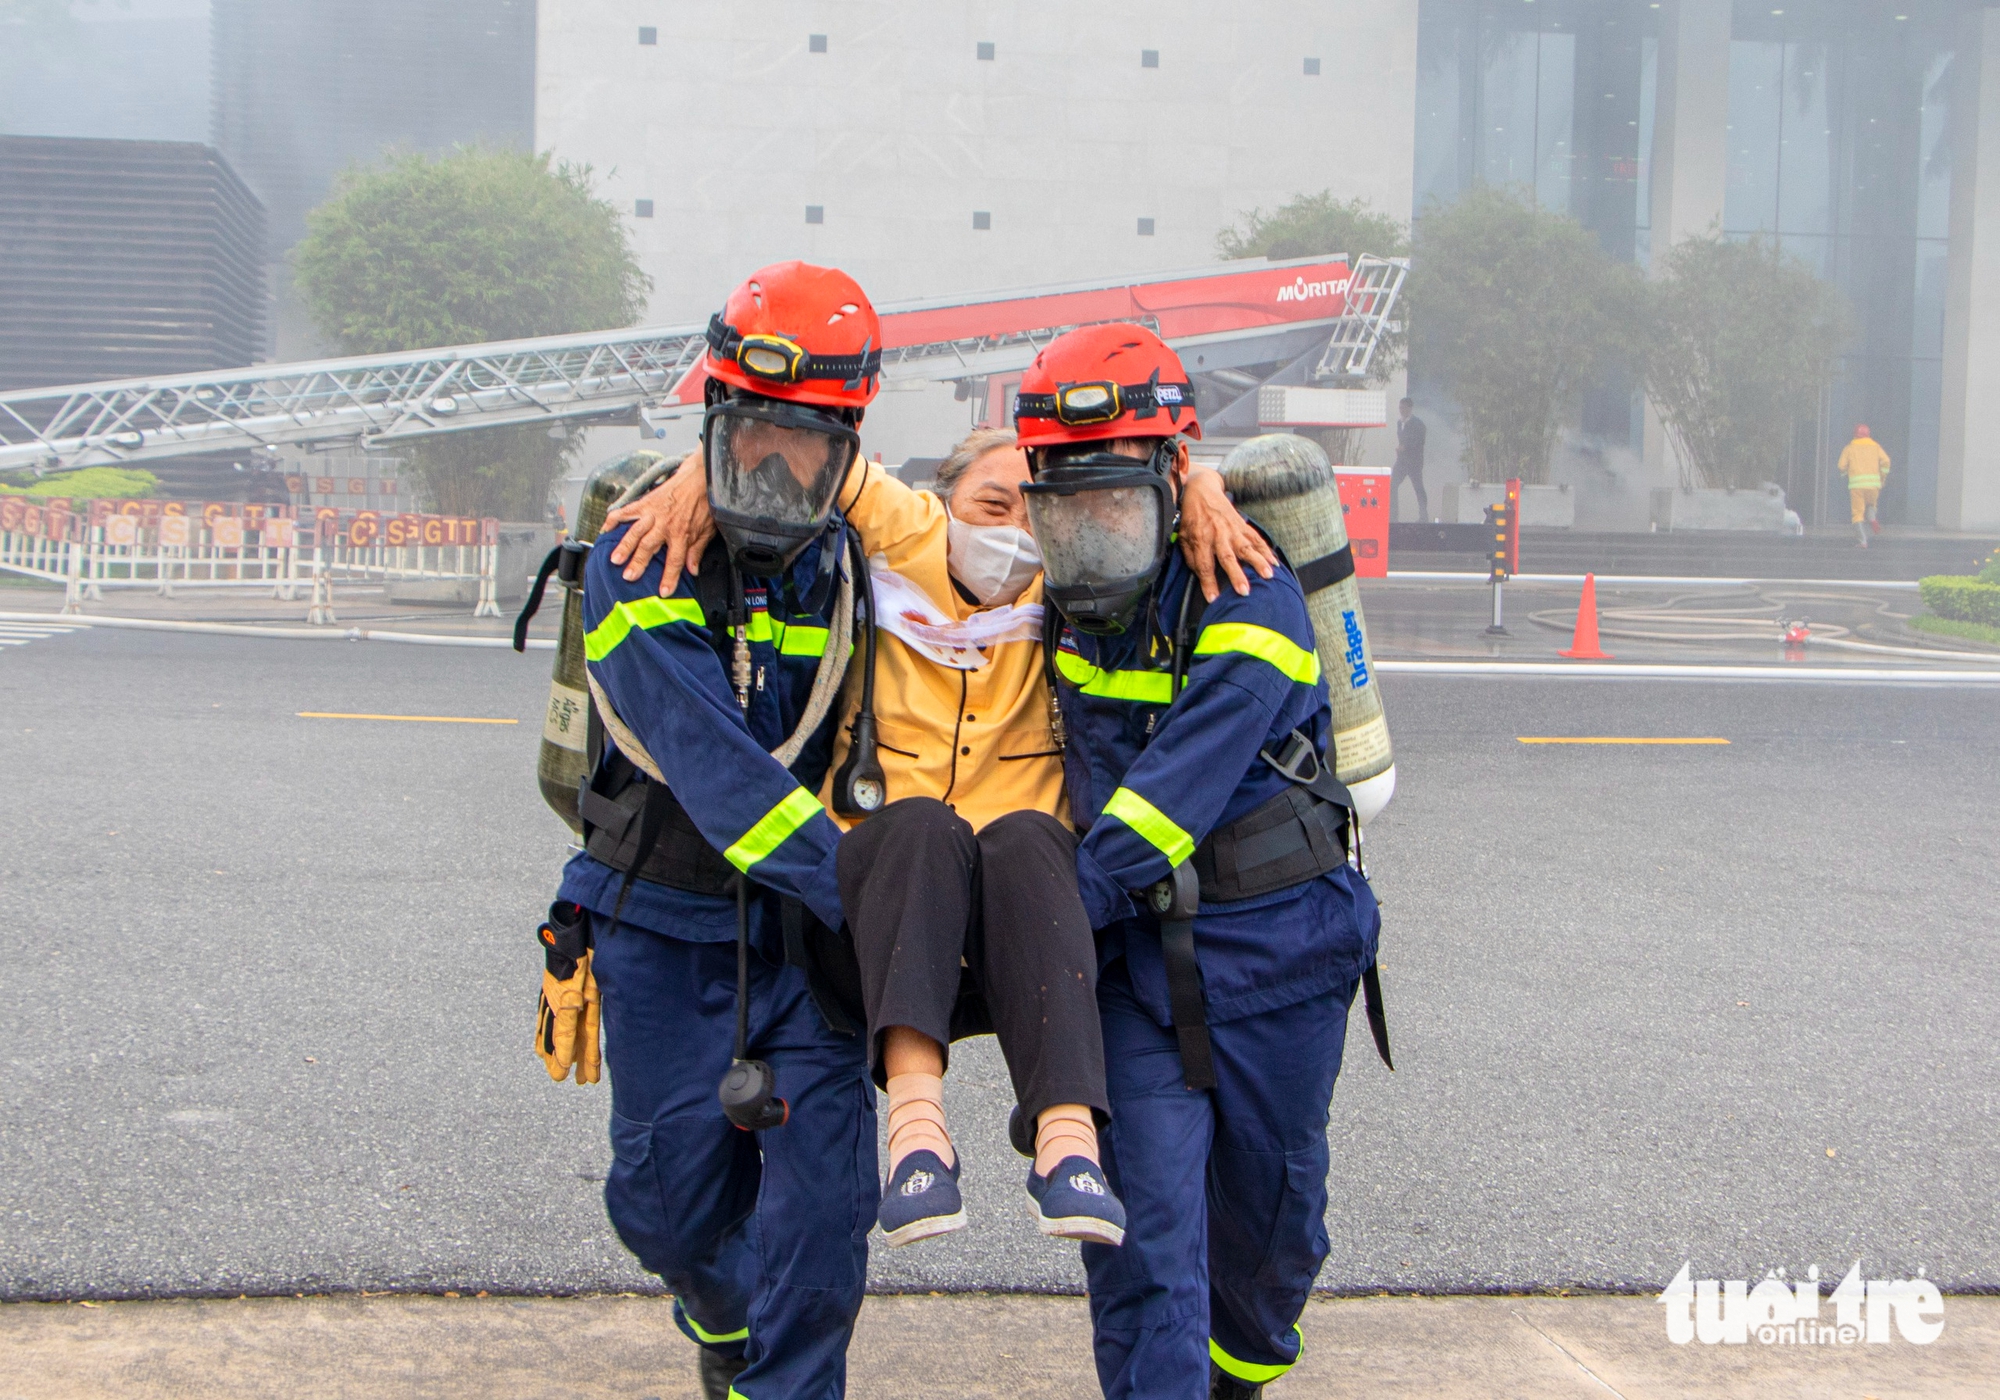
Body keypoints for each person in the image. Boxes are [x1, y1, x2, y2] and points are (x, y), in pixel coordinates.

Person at [603, 422, 1280, 1254]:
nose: (1013, 533)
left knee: (1033, 841)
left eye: (1035, 512)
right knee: (919, 828)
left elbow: (1140, 496)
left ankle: (1068, 1149)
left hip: (1024, 916)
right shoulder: (904, 534)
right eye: (990, 504)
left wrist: (1201, 482)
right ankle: (918, 1139)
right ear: (939, 499)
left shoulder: (1072, 578)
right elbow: (794, 454)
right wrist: (693, 476)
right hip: (884, 900)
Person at [1016, 324, 1380, 1400]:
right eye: (1067, 500)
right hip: (1136, 973)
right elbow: (902, 516)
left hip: (1280, 959)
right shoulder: (1053, 597)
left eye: (1115, 497)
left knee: (1271, 1233)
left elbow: (1146, 818)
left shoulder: (1253, 601)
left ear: (1173, 477)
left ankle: (1240, 1376)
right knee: (1143, 1239)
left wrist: (1019, 931)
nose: (1091, 525)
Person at [539, 260, 883, 1400]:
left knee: (824, 1218)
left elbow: (1033, 513)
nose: (773, 464)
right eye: (749, 431)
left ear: (846, 449)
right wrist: (882, 902)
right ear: (712, 420)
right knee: (664, 1207)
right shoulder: (639, 562)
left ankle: (782, 1379)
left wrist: (1203, 482)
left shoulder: (859, 560)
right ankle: (722, 1317)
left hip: (805, 947)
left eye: (806, 441)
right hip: (663, 923)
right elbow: (721, 779)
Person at [1838, 423, 1890, 549]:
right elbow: (1886, 462)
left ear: (1855, 435)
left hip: (1856, 487)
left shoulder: (1849, 448)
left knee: (1857, 514)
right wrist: (1882, 478)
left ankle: (1863, 541)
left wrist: (1845, 473)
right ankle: (1872, 518)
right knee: (1871, 504)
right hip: (1873, 486)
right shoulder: (1876, 447)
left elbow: (1841, 466)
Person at [1392, 395, 1427, 522]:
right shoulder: (1399, 423)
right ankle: (1393, 516)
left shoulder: (1418, 424)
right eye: (1400, 407)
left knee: (1418, 487)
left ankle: (1423, 516)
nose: (1402, 410)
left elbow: (1419, 441)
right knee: (1392, 485)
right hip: (1401, 461)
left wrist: (1405, 447)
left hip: (1414, 462)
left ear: (1410, 408)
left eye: (1404, 408)